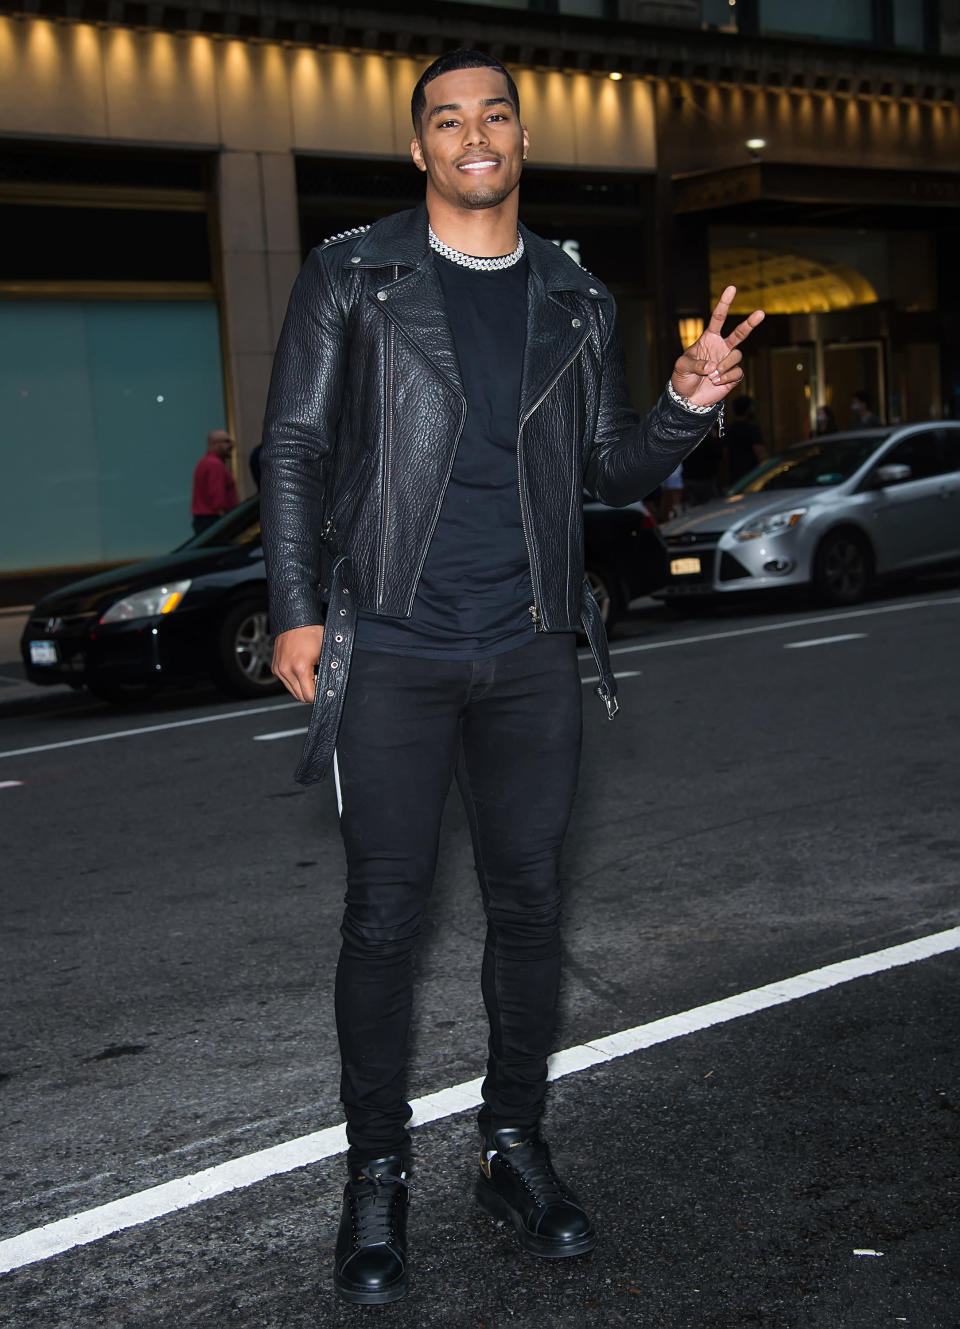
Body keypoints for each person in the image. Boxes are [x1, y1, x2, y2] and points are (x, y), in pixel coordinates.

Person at [259, 48, 763, 1307]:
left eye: (496, 116)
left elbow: (606, 470)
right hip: (392, 644)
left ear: (523, 142)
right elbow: (295, 448)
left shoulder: (575, 298)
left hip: (534, 647)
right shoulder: (354, 274)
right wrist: (295, 609)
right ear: (417, 148)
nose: (474, 135)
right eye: (448, 120)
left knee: (531, 911)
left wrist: (689, 403)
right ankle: (376, 1175)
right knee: (385, 917)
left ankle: (513, 1145)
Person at [190, 429, 238, 535]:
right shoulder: (215, 464)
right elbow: (217, 496)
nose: (231, 445)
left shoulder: (205, 462)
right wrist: (226, 521)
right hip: (214, 520)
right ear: (214, 444)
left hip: (205, 519)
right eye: (226, 441)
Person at [724, 394, 767, 484]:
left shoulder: (729, 428)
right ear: (748, 409)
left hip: (735, 474)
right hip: (752, 474)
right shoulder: (752, 428)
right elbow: (759, 451)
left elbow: (726, 451)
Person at [681, 421, 723, 505]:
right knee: (710, 506)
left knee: (695, 506)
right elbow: (718, 454)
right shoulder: (708, 436)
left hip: (690, 477)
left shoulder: (686, 435)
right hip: (705, 478)